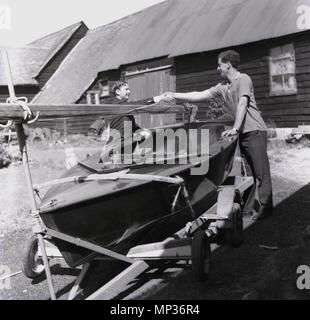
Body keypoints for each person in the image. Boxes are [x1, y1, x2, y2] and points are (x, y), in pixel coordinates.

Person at [157, 50, 273, 220]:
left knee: (261, 172)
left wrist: (235, 128)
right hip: (242, 132)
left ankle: (266, 208)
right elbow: (199, 95)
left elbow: (242, 103)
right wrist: (173, 95)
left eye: (219, 64)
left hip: (254, 131)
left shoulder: (243, 79)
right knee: (248, 173)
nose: (217, 68)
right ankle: (247, 209)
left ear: (228, 64)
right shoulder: (223, 87)